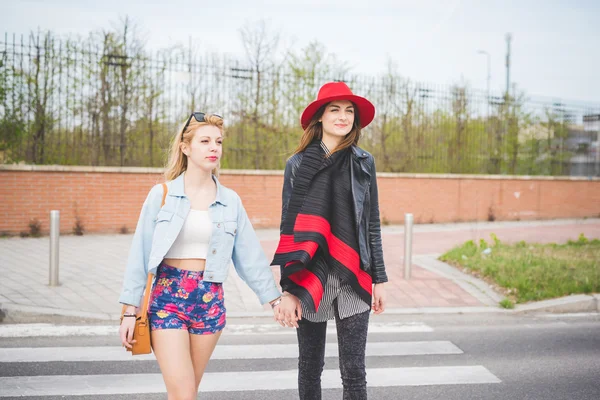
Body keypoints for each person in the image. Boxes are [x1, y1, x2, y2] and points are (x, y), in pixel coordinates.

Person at [118, 112, 282, 400]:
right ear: (185, 147)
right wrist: (129, 310)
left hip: (210, 300)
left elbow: (249, 256)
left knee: (188, 392)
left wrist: (275, 298)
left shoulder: (229, 200)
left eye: (218, 142)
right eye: (205, 141)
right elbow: (140, 254)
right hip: (168, 300)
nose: (213, 148)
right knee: (182, 393)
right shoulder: (162, 195)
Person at [272, 82, 388, 400]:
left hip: (355, 275)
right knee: (310, 368)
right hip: (311, 276)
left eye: (349, 111)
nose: (343, 116)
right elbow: (289, 228)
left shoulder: (364, 163)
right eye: (334, 109)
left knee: (354, 373)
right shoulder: (297, 165)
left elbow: (371, 225)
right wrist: (289, 290)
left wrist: (379, 278)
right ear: (320, 117)